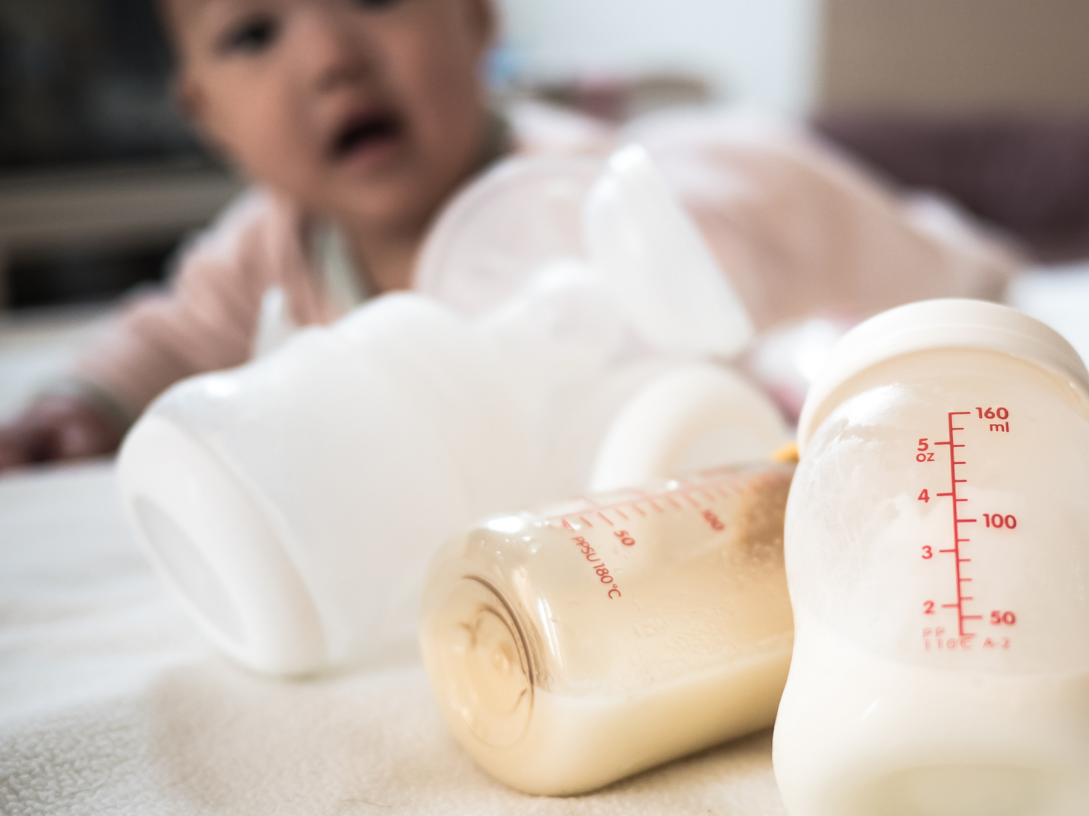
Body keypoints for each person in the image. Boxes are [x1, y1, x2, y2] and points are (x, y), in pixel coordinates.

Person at [0, 0, 1022, 470]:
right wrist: (83, 402)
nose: (328, 58)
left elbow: (703, 302)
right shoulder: (267, 248)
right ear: (207, 116)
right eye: (253, 33)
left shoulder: (568, 191)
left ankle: (968, 249)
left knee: (796, 203)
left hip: (834, 252)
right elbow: (168, 336)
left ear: (478, 22)